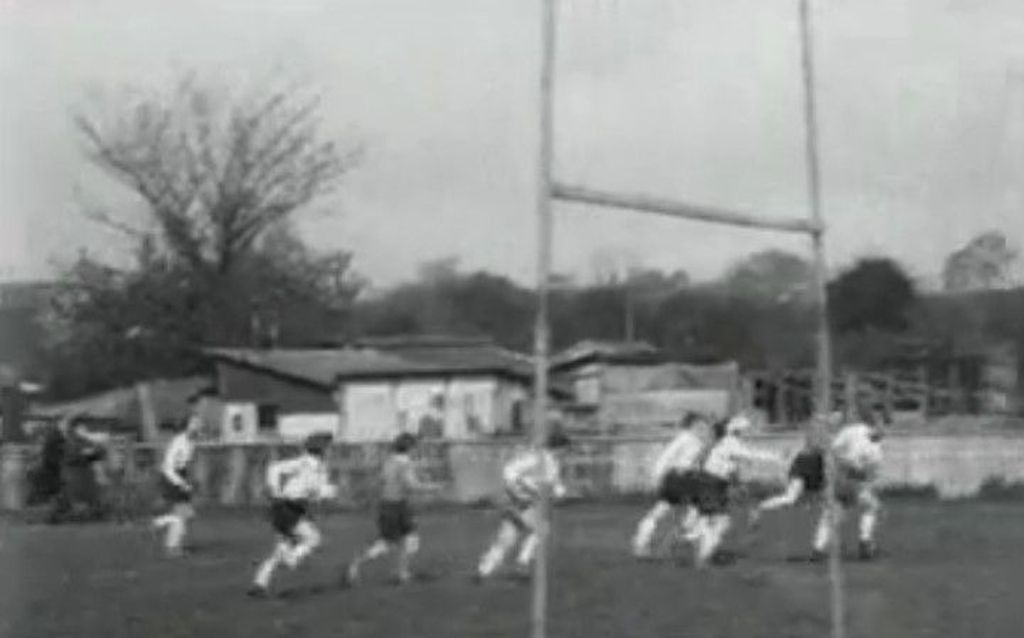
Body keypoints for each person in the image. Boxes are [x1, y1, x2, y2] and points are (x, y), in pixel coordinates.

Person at [345, 433, 442, 586]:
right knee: (389, 543)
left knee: (410, 539)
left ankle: (402, 573)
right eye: (414, 447)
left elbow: (382, 480)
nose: (416, 450)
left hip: (388, 505)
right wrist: (433, 487)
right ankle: (357, 563)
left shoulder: (389, 461)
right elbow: (411, 485)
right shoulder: (405, 463)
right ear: (409, 447)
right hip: (396, 507)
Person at [249, 432, 338, 597]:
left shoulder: (315, 466)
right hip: (288, 508)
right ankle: (292, 558)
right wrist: (275, 491)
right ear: (321, 449)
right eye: (328, 447)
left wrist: (275, 491)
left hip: (285, 508)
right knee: (313, 539)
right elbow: (276, 469)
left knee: (280, 549)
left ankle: (260, 583)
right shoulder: (309, 465)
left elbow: (312, 491)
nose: (330, 450)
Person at [475, 431, 571, 581]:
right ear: (559, 448)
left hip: (526, 501)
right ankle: (521, 562)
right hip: (519, 500)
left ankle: (484, 570)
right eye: (565, 449)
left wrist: (559, 491)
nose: (566, 453)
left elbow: (553, 482)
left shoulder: (552, 462)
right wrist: (521, 491)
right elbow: (509, 470)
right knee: (539, 529)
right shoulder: (536, 458)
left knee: (510, 536)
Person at [689, 414, 783, 568]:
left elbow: (730, 468)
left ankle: (701, 548)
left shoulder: (728, 442)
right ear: (737, 430)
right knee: (721, 522)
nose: (747, 432)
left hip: (712, 483)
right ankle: (703, 554)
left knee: (713, 520)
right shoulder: (731, 442)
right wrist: (775, 457)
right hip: (711, 484)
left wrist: (737, 483)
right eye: (745, 429)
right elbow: (750, 456)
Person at [631, 412, 708, 558]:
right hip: (681, 480)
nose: (704, 429)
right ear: (692, 425)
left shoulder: (695, 440)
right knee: (700, 506)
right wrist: (656, 476)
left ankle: (641, 541)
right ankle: (687, 535)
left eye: (704, 426)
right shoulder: (685, 438)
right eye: (701, 425)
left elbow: (694, 462)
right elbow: (666, 456)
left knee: (661, 510)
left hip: (682, 479)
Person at [811, 416, 884, 561]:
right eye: (882, 426)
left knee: (832, 514)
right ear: (875, 427)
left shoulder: (855, 432)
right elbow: (868, 475)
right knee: (871, 507)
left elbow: (832, 449)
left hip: (842, 479)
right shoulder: (874, 449)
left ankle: (818, 549)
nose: (883, 431)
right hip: (849, 480)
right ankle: (864, 542)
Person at [748, 422, 832, 527]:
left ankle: (821, 530)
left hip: (813, 464)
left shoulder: (821, 437)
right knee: (791, 498)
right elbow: (813, 446)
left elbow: (822, 454)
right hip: (804, 465)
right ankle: (759, 508)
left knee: (821, 500)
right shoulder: (816, 436)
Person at [151, 407, 201, 556]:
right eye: (195, 422)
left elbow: (184, 463)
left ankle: (163, 528)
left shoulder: (192, 440)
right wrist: (181, 483)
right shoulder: (179, 441)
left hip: (179, 476)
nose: (198, 424)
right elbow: (168, 467)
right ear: (187, 424)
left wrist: (187, 479)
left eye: (199, 422)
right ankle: (172, 546)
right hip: (171, 477)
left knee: (186, 515)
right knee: (182, 515)